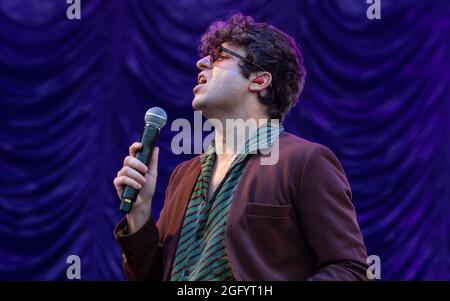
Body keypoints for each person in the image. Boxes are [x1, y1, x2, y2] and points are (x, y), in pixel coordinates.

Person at [113, 12, 369, 281]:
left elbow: (349, 269)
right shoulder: (184, 174)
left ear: (259, 80)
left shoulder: (305, 161)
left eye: (219, 57)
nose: (201, 63)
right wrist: (140, 212)